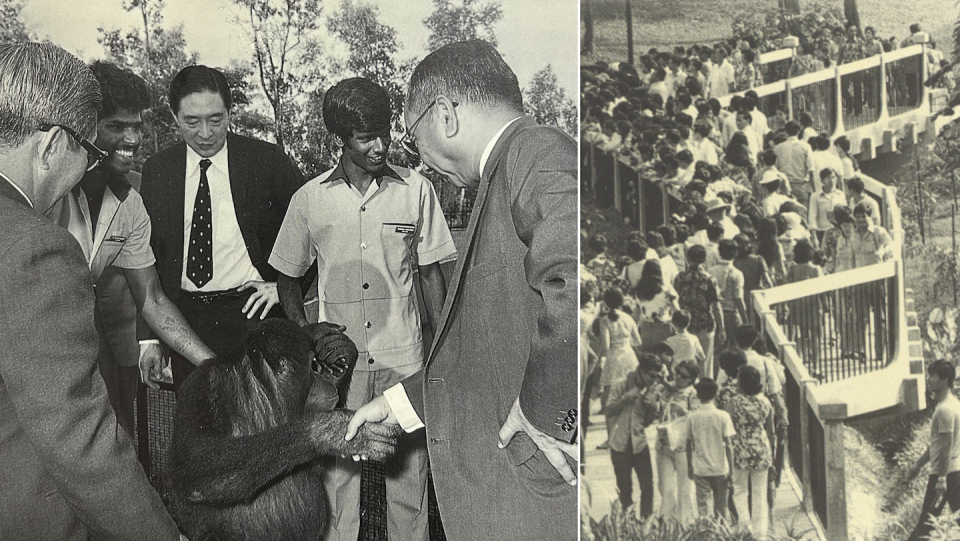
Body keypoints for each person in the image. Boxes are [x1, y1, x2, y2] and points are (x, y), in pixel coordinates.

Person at [346, 40, 578, 541]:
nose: (421, 160)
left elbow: (582, 279)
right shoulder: (503, 175)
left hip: (533, 495)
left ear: (445, 114)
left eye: (414, 138)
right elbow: (481, 348)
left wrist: (550, 412)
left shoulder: (537, 152)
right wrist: (401, 404)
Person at [0, 41, 183, 541]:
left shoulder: (129, 201)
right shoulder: (36, 245)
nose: (88, 165)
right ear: (53, 145)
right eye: (89, 148)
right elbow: (79, 441)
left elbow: (152, 298)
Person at [269, 77, 456, 541]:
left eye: (384, 132)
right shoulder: (309, 199)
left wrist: (439, 350)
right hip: (340, 369)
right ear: (340, 137)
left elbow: (432, 276)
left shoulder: (416, 190)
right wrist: (309, 336)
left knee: (410, 484)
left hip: (405, 360)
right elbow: (287, 278)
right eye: (364, 137)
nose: (379, 145)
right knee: (337, 485)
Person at [45, 60, 214, 437]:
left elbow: (152, 299)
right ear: (84, 126)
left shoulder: (131, 202)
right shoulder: (43, 193)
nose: (134, 139)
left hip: (96, 353)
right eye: (117, 127)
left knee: (117, 443)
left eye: (137, 126)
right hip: (40, 355)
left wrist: (211, 363)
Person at [140, 65, 305, 386]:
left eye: (216, 120)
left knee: (266, 429)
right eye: (191, 121)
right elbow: (149, 258)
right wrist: (149, 339)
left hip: (256, 318)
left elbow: (313, 232)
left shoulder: (266, 160)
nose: (205, 133)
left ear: (231, 112)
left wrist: (284, 289)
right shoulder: (158, 170)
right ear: (175, 117)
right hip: (187, 323)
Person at [606, 354, 664, 517]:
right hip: (619, 444)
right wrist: (625, 398)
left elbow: (647, 423)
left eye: (657, 376)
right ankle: (627, 525)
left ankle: (646, 523)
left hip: (639, 444)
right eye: (652, 376)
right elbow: (608, 411)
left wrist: (652, 406)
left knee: (647, 487)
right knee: (625, 489)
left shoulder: (653, 391)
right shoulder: (621, 385)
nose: (654, 380)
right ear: (642, 372)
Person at [908, 359, 960, 525]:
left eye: (933, 376)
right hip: (953, 473)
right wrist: (918, 465)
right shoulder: (951, 404)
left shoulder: (945, 409)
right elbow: (937, 445)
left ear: (944, 380)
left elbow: (946, 447)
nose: (928, 379)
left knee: (926, 526)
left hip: (945, 474)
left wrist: (942, 478)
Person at [726, 365, 775, 539]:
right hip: (761, 447)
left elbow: (728, 426)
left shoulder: (734, 402)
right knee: (760, 492)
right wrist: (773, 455)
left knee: (739, 489)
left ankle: (744, 526)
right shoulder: (765, 401)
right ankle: (760, 532)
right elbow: (771, 430)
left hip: (740, 448)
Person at [656, 360, 700, 523]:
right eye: (677, 373)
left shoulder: (693, 394)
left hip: (682, 445)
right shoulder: (665, 389)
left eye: (684, 376)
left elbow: (697, 417)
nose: (678, 377)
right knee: (665, 487)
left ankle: (684, 522)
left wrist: (683, 411)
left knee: (685, 487)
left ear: (691, 379)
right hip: (663, 443)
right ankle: (668, 521)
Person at [686, 378, 736, 521]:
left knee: (703, 507)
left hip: (700, 468)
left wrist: (690, 465)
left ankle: (706, 534)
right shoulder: (723, 416)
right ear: (716, 394)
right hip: (721, 467)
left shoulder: (692, 417)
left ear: (697, 395)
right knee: (721, 507)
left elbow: (689, 443)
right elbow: (729, 445)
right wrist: (731, 470)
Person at [675, 245, 725, 378]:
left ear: (687, 259)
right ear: (704, 260)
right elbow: (716, 306)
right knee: (705, 363)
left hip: (685, 324)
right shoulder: (709, 279)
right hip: (705, 324)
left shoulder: (680, 278)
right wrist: (722, 329)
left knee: (687, 362)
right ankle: (704, 391)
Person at [664, 310, 706, 374]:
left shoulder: (670, 340)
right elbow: (702, 358)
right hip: (690, 372)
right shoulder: (694, 338)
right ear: (689, 323)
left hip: (675, 372)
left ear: (674, 324)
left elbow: (667, 360)